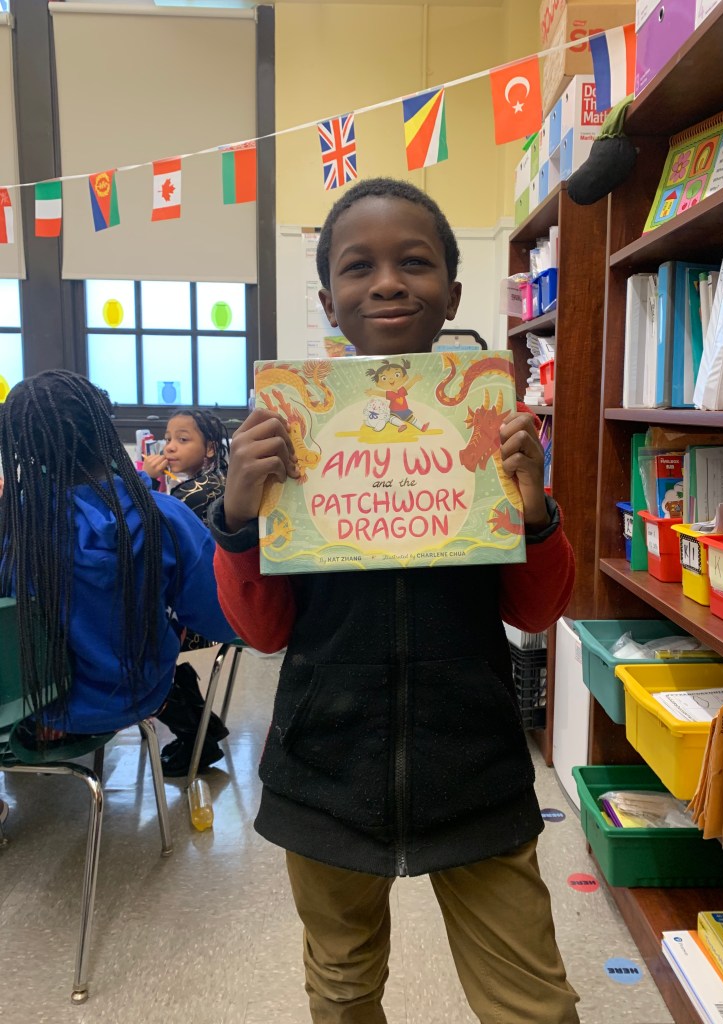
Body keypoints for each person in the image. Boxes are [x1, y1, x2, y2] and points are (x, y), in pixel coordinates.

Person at [209, 178, 579, 1024]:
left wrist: (533, 506)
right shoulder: (290, 435)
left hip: (474, 767)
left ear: (452, 289)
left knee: (535, 1005)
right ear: (328, 298)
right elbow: (261, 630)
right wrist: (236, 513)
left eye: (415, 263)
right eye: (358, 267)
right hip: (325, 773)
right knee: (341, 992)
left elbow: (535, 611)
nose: (386, 282)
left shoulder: (490, 428)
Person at [0, 370, 236, 758]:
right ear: (104, 431)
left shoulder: (16, 527)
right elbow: (219, 618)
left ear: (21, 448)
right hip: (135, 697)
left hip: (30, 709)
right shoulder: (164, 516)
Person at [141, 407, 233, 775]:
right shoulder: (218, 480)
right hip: (223, 601)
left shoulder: (195, 492)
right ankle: (201, 727)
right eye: (168, 439)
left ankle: (198, 734)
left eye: (183, 439)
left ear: (209, 449)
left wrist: (145, 483)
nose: (171, 448)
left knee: (137, 644)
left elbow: (148, 526)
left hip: (207, 612)